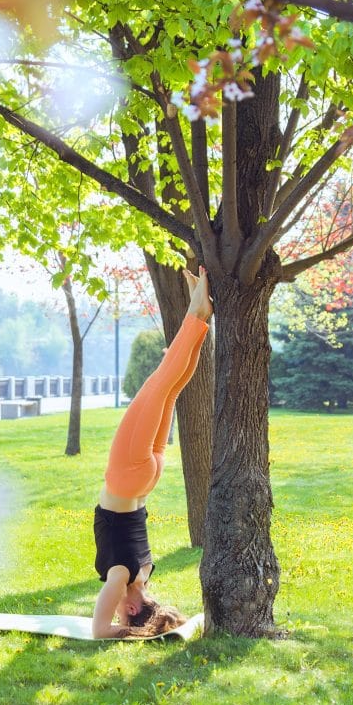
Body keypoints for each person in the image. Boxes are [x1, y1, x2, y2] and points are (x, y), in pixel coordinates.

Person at [91, 266, 212, 638]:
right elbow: (99, 631)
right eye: (123, 615)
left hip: (146, 482)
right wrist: (125, 630)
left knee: (169, 389)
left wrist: (148, 625)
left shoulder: (145, 570)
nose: (115, 612)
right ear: (130, 607)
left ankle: (201, 317)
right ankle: (198, 311)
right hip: (127, 477)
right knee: (160, 384)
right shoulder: (121, 576)